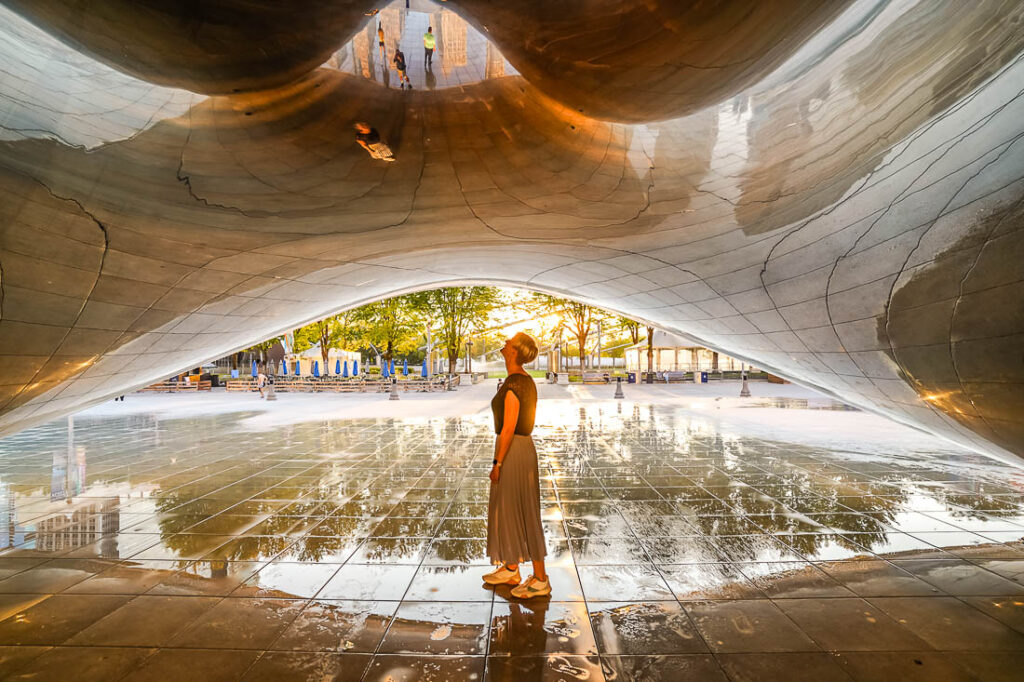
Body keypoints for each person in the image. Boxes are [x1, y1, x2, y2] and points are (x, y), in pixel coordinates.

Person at [482, 332, 550, 598]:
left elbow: (509, 426)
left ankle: (541, 578)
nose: (505, 343)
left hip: (513, 450)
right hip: (519, 448)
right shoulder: (522, 380)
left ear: (514, 352)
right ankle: (511, 567)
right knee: (509, 507)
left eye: (509, 342)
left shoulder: (514, 383)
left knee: (523, 510)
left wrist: (497, 462)